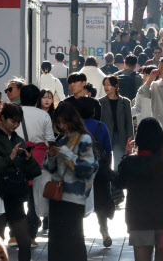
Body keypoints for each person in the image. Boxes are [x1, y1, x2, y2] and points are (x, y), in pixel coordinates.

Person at [0, 103, 42, 261]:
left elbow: (32, 172)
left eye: (19, 122)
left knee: (25, 241)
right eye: (13, 121)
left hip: (15, 197)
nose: (16, 125)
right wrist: (8, 159)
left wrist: (27, 159)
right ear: (2, 118)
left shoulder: (17, 139)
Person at [115, 118, 163, 261]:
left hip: (138, 220)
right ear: (161, 139)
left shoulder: (130, 162)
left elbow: (119, 183)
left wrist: (126, 155)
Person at [44, 102, 99, 261]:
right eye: (59, 122)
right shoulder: (61, 138)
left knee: (73, 243)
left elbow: (88, 168)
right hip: (57, 197)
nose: (62, 126)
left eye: (65, 122)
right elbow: (50, 168)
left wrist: (67, 155)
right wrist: (52, 155)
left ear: (73, 119)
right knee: (56, 243)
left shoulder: (84, 139)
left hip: (74, 199)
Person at [13, 85, 55, 245]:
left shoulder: (14, 111)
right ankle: (30, 235)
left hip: (16, 156)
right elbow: (50, 140)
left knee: (16, 197)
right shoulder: (43, 115)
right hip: (37, 159)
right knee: (33, 198)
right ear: (37, 98)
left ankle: (14, 233)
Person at [76, 97, 114, 248]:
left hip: (79, 170)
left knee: (79, 202)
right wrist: (107, 168)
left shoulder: (74, 128)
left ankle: (79, 233)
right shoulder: (101, 126)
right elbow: (108, 150)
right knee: (100, 203)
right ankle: (104, 232)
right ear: (93, 111)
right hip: (98, 169)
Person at [100, 75, 134, 170]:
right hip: (106, 136)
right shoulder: (100, 102)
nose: (106, 87)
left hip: (120, 136)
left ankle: (116, 182)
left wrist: (130, 140)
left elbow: (129, 123)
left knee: (118, 164)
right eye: (105, 85)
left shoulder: (125, 102)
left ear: (115, 86)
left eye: (109, 84)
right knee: (106, 164)